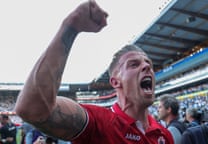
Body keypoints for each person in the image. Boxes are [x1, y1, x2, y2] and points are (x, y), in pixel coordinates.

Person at [15, 0, 174, 143]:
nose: (147, 67)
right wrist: (71, 25)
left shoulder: (164, 135)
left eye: (148, 64)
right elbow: (31, 109)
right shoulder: (97, 122)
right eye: (134, 65)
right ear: (115, 81)